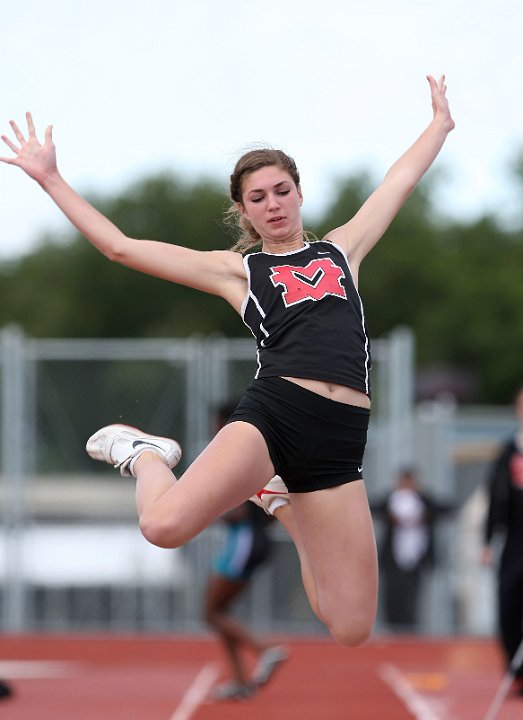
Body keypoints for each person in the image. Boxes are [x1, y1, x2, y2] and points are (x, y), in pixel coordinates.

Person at [0, 74, 454, 646]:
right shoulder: (239, 272)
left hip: (342, 436)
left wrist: (438, 124)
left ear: (299, 192)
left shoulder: (343, 249)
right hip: (277, 412)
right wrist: (50, 178)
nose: (274, 204)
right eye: (258, 198)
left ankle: (282, 503)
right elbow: (120, 247)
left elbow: (400, 179)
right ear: (244, 211)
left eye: (282, 190)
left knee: (350, 626)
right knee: (162, 526)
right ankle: (144, 454)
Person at [204, 404, 288, 701]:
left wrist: (200, 510)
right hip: (254, 539)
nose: (212, 430)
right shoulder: (259, 448)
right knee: (219, 611)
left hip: (244, 540)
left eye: (215, 423)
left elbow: (238, 510)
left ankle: (265, 650)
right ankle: (240, 681)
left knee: (211, 611)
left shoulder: (234, 452)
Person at [371, 466, 454, 630]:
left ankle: (410, 630)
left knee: (412, 598)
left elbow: (447, 508)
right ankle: (393, 629)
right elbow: (371, 507)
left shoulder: (424, 502)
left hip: (417, 560)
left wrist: (425, 514)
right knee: (391, 597)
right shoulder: (390, 501)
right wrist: (391, 516)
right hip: (393, 561)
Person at [482, 385, 523, 695]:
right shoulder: (508, 451)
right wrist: (487, 542)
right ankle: (515, 669)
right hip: (514, 540)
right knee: (508, 604)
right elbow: (494, 500)